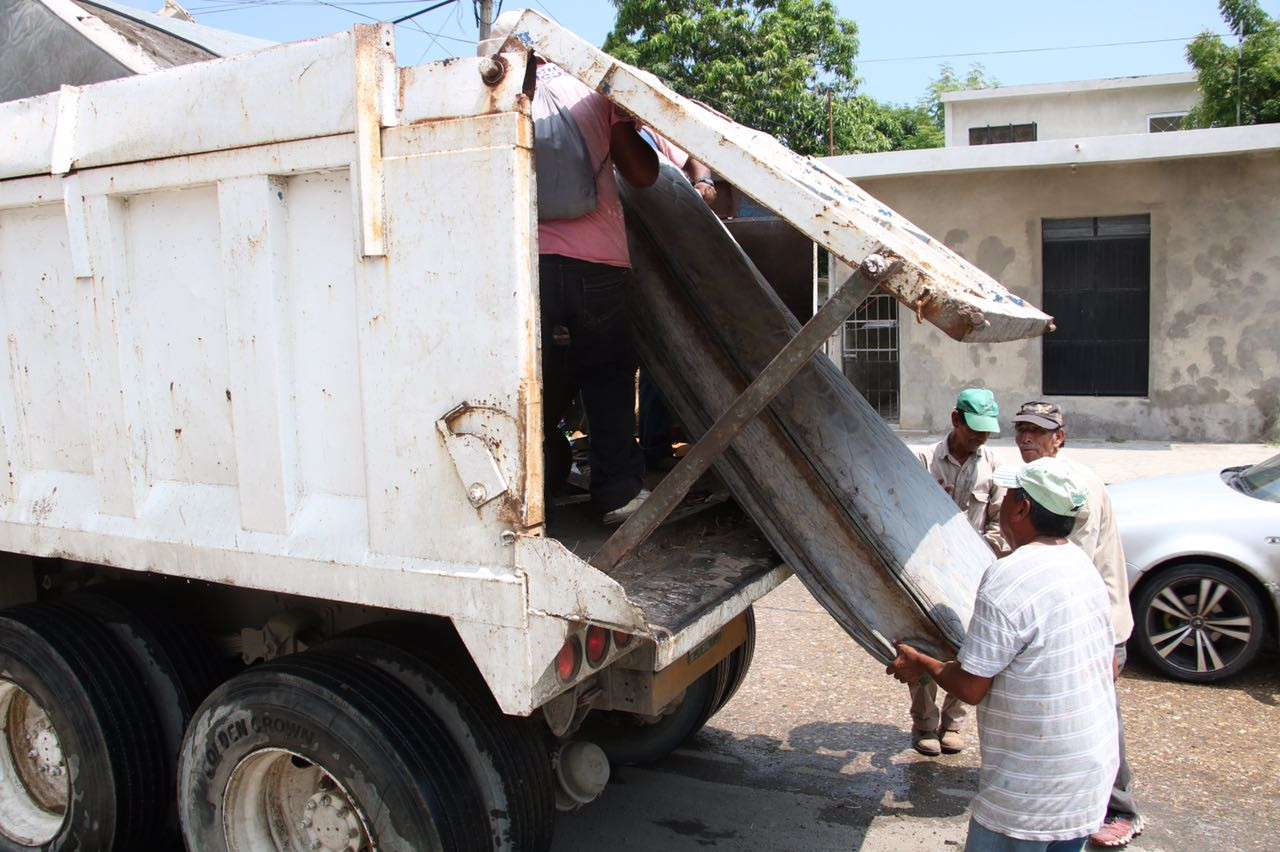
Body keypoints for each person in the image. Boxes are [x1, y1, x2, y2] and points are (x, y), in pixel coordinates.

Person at [887, 457, 1118, 852]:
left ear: (1022, 508)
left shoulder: (1010, 575)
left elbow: (971, 686)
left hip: (1031, 789)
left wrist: (921, 664)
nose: (1003, 503)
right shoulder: (1081, 565)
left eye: (1009, 496)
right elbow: (1109, 667)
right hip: (1089, 779)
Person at [532, 60, 658, 524]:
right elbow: (643, 175)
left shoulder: (504, 91)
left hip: (527, 263)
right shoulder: (594, 88)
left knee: (536, 382)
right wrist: (620, 117)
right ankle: (616, 493)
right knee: (606, 374)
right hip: (596, 265)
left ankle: (532, 492)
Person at [1011, 401, 1143, 848]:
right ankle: (1072, 799)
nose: (1027, 438)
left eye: (1038, 431)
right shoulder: (1040, 480)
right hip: (1082, 621)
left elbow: (1068, 564)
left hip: (1097, 623)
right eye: (1022, 429)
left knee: (1100, 715)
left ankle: (1119, 808)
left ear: (1059, 437)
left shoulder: (1070, 486)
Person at [907, 387, 1006, 757]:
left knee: (970, 649)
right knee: (924, 646)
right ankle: (925, 724)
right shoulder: (923, 459)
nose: (980, 436)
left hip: (975, 573)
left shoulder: (992, 464)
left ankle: (954, 722)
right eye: (974, 428)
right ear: (955, 419)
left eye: (987, 430)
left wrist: (989, 556)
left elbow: (997, 521)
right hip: (928, 571)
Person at [634, 126, 717, 472]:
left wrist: (704, 181)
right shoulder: (600, 127)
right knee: (630, 359)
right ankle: (646, 450)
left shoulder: (652, 131)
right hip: (631, 258)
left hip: (668, 253)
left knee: (664, 356)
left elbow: (693, 158)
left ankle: (657, 446)